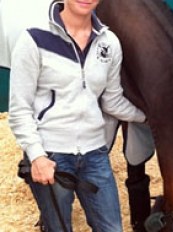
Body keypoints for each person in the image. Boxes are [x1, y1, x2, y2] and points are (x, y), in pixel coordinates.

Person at [8, 0, 147, 231]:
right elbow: (19, 109)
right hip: (52, 154)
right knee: (58, 227)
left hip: (95, 154)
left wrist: (148, 118)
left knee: (112, 228)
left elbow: (112, 100)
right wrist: (37, 156)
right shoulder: (34, 38)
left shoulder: (109, 43)